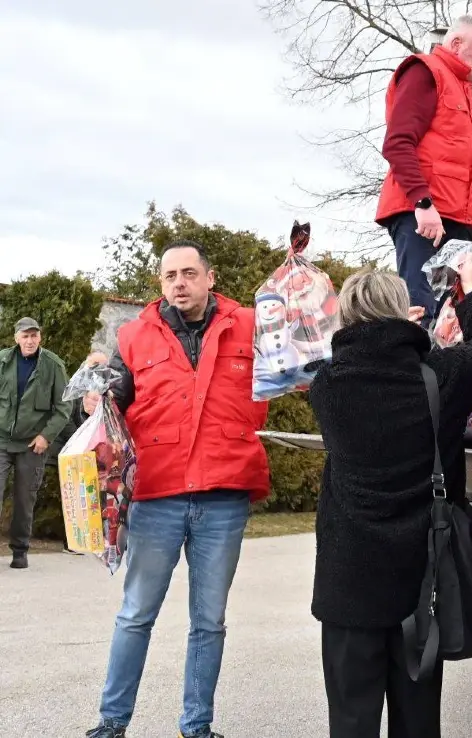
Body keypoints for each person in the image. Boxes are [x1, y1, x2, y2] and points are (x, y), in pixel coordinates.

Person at [306, 260, 472, 738]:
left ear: (347, 317)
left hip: (347, 581)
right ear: (402, 314)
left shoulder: (326, 386)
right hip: (424, 580)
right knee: (417, 721)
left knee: (351, 720)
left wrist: (398, 328)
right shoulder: (441, 376)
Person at [82, 241, 271, 738]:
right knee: (135, 614)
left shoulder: (250, 325)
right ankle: (112, 721)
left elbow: (298, 362)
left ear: (211, 277)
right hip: (157, 493)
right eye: (170, 276)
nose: (179, 283)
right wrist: (97, 397)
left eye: (189, 273)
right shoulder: (133, 335)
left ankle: (197, 725)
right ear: (161, 282)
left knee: (209, 621)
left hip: (223, 493)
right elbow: (117, 396)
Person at [375, 14, 472, 327]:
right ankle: (414, 374)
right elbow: (397, 143)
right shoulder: (425, 73)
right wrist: (423, 203)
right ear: (457, 44)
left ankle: (438, 374)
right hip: (426, 220)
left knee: (447, 316)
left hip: (454, 223)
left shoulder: (465, 92)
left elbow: (456, 164)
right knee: (422, 309)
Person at [0, 316, 70, 569]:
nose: (29, 341)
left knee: (24, 499)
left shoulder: (53, 365)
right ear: (16, 338)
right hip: (1, 439)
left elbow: (64, 406)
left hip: (33, 444)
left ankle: (20, 550)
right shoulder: (3, 361)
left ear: (40, 337)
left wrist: (46, 436)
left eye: (34, 335)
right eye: (25, 336)